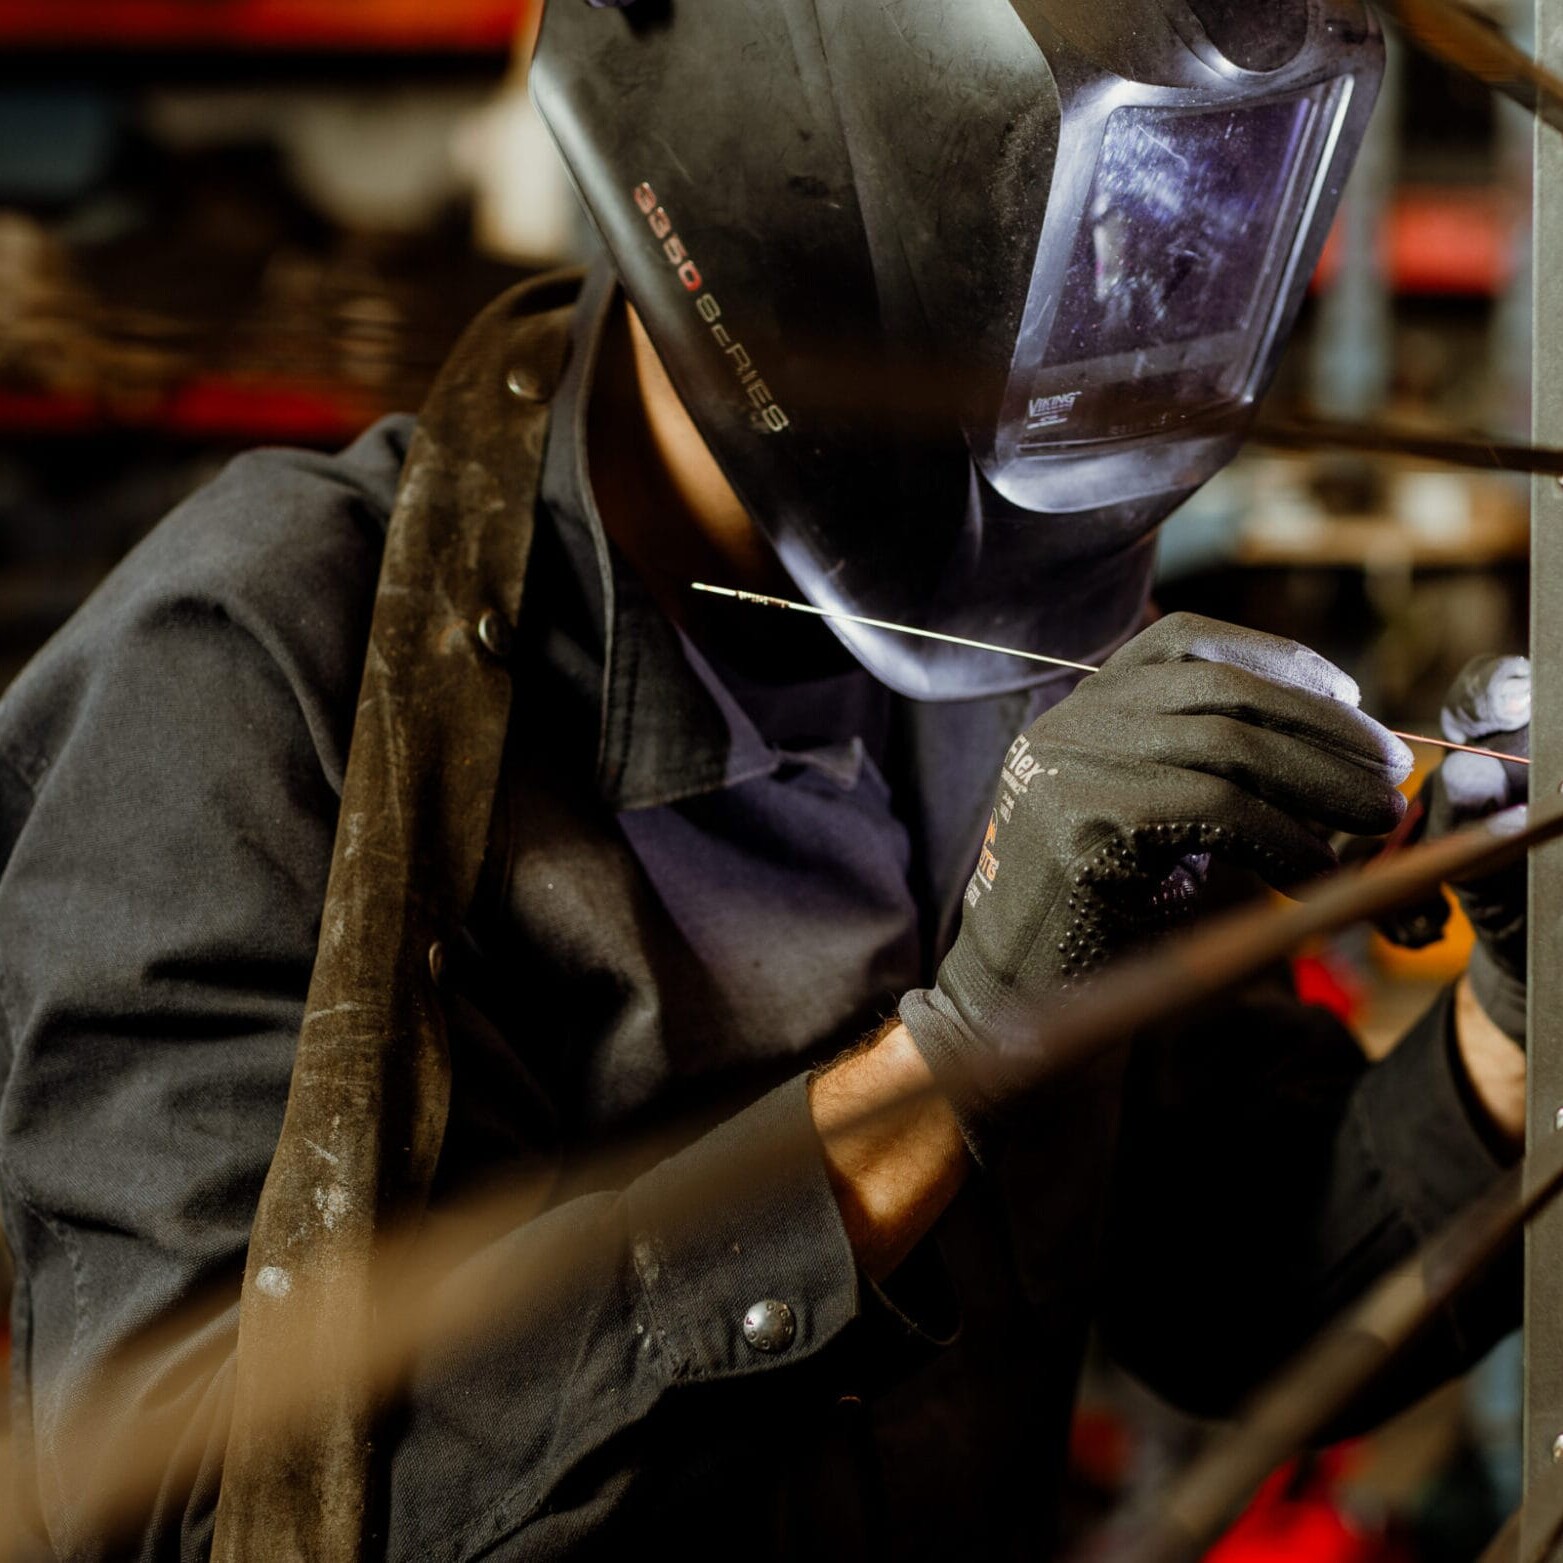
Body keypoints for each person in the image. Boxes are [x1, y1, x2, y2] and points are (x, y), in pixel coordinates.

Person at [0, 0, 1531, 1557]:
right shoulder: (253, 673)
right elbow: (203, 1517)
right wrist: (952, 1066)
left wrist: (1516, 1037)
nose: (1122, 311)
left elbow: (1230, 1281)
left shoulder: (1010, 653)